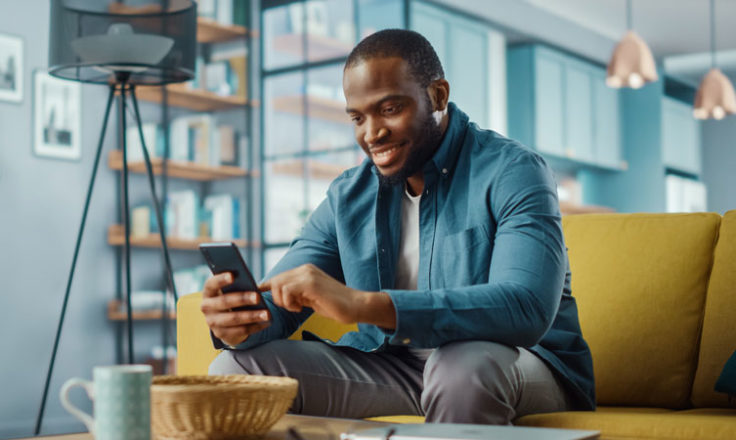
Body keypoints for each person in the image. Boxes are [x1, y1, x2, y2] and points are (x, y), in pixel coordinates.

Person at [202, 29, 595, 425]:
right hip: (395, 368)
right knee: (235, 369)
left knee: (460, 366)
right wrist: (238, 321)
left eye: (389, 109)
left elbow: (524, 308)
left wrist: (362, 304)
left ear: (438, 96)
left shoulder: (514, 171)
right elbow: (280, 299)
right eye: (358, 118)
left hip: (518, 364)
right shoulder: (348, 195)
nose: (371, 134)